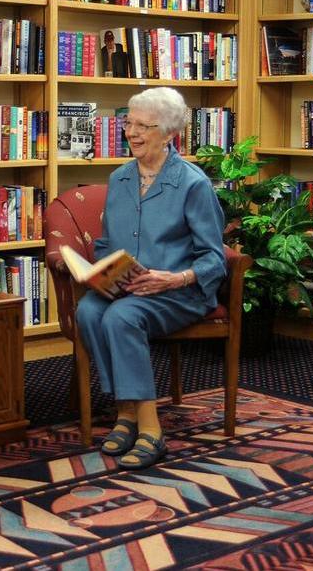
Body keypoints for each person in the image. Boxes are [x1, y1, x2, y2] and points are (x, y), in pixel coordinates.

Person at [74, 87, 226, 470]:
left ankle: (150, 429)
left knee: (122, 317)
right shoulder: (120, 178)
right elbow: (107, 242)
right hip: (129, 289)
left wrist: (175, 279)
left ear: (170, 133)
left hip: (180, 292)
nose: (132, 132)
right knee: (90, 311)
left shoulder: (193, 184)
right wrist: (106, 272)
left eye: (144, 125)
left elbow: (214, 257)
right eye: (129, 122)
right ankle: (125, 412)